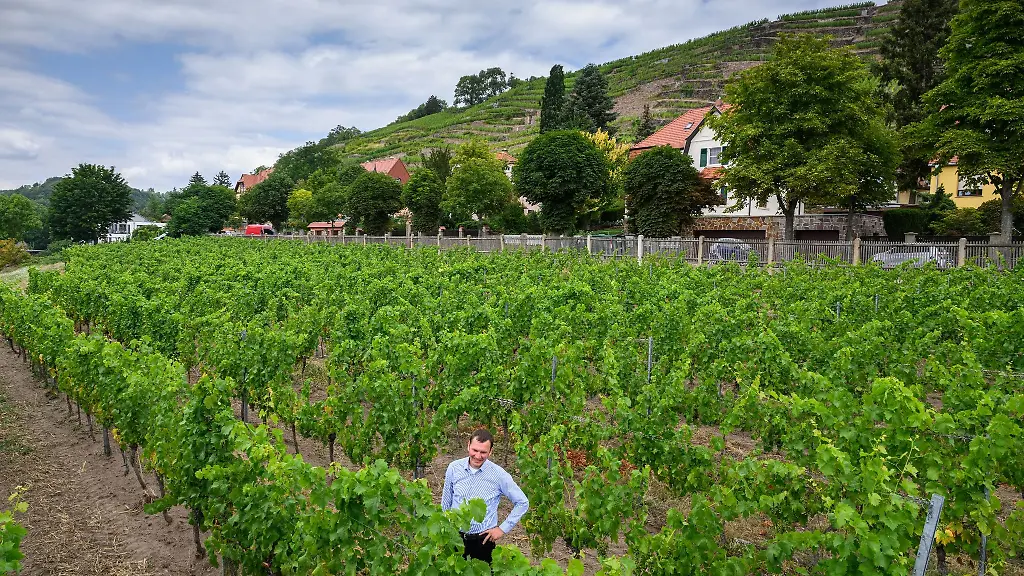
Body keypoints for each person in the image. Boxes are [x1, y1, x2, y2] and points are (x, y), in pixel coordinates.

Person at [441, 428, 529, 565]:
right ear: (468, 445)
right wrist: (445, 528)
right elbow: (446, 502)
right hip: (455, 537)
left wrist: (502, 529)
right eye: (475, 450)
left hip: (482, 541)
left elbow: (522, 502)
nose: (477, 456)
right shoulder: (454, 468)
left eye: (483, 452)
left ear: (490, 452)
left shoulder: (499, 475)